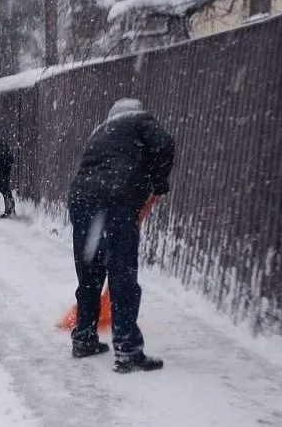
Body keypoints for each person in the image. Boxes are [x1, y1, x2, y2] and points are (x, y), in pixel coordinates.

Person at [68, 98, 175, 374]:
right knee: (122, 274)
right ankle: (127, 351)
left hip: (81, 198)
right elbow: (164, 144)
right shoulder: (140, 120)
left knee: (90, 272)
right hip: (115, 199)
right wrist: (159, 182)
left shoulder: (99, 131)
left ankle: (83, 338)